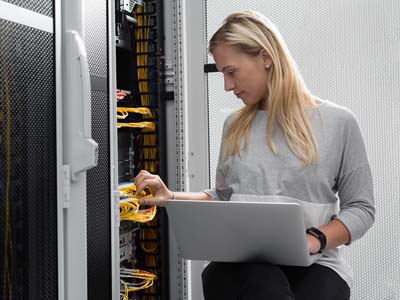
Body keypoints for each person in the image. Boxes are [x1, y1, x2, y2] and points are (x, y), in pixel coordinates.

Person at [135, 10, 375, 300]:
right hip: (242, 268)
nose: (227, 86)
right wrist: (171, 197)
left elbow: (361, 209)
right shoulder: (235, 126)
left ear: (265, 57)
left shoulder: (338, 122)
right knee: (261, 280)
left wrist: (315, 239)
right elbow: (224, 196)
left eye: (231, 72)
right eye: (223, 74)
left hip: (317, 264)